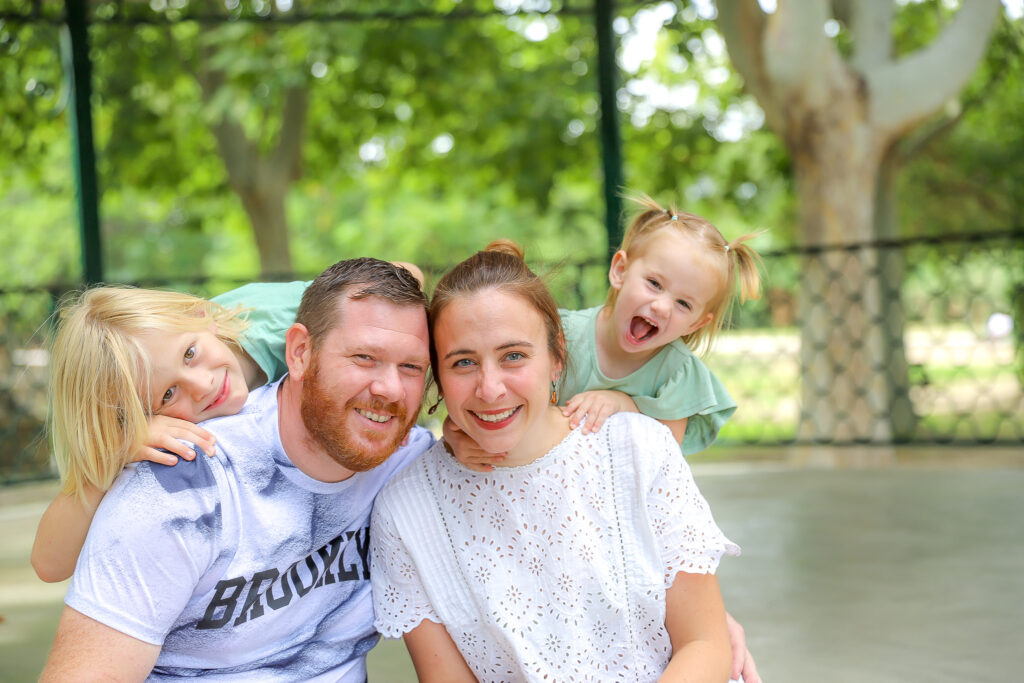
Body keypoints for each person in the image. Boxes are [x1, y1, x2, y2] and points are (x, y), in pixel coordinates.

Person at [40, 258, 433, 681]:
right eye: (168, 393)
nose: (203, 384)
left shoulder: (262, 317)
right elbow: (48, 563)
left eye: (190, 354)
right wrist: (116, 450)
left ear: (202, 315)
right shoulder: (171, 479)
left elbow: (401, 280)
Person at [370, 242, 740, 681]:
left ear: (557, 357)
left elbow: (705, 644)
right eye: (464, 362)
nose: (490, 389)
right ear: (438, 375)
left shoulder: (642, 451)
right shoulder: (406, 510)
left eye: (513, 356)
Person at [456, 197, 762, 473]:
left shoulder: (676, 371)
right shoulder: (564, 336)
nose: (662, 306)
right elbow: (492, 402)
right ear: (620, 270)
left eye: (683, 304)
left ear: (696, 323)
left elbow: (664, 451)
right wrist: (457, 439)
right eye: (654, 283)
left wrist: (622, 403)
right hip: (542, 476)